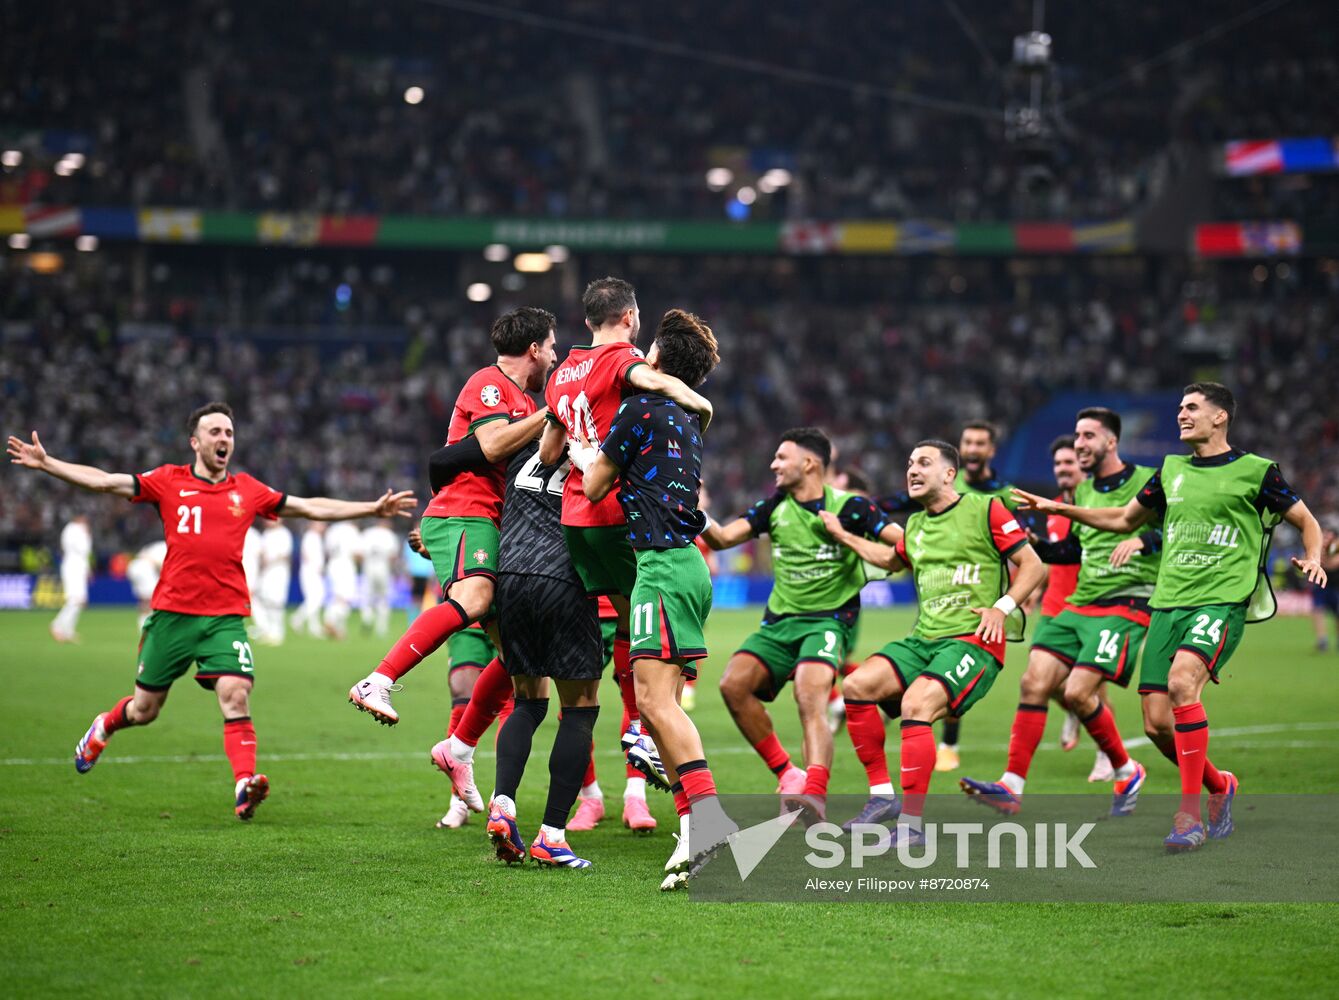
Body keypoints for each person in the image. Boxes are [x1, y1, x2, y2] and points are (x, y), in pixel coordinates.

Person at [7, 403, 415, 820]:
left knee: (236, 694)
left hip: (224, 617)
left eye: (229, 433)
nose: (224, 439)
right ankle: (105, 725)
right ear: (195, 442)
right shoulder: (167, 481)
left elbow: (308, 506)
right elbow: (107, 482)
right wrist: (48, 464)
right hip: (172, 616)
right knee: (144, 710)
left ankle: (244, 785)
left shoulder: (248, 490)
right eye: (215, 432)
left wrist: (370, 508)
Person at [1011, 382, 1328, 851]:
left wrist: (1314, 556)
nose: (1181, 414)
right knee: (1157, 725)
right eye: (1179, 406)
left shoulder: (1257, 472)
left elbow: (1306, 520)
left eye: (1192, 407)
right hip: (1168, 602)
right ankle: (1220, 787)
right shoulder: (1170, 471)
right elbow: (1122, 519)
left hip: (1221, 600)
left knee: (1183, 684)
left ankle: (1187, 817)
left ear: (1220, 417)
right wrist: (1059, 506)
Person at [573, 307, 731, 890]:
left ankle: (710, 820)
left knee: (655, 706)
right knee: (653, 704)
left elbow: (593, 486)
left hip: (661, 567)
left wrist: (584, 450)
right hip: (685, 566)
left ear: (654, 359)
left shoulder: (640, 407)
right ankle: (693, 826)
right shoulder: (689, 418)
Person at [821, 439, 1045, 845]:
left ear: (949, 473)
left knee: (915, 705)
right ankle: (881, 798)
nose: (912, 470)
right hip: (923, 639)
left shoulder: (986, 509)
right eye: (909, 463)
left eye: (924, 462)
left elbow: (1033, 565)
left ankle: (911, 826)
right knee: (855, 686)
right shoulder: (916, 526)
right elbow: (890, 561)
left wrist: (1002, 606)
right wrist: (843, 535)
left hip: (974, 641)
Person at [538, 277, 713, 788]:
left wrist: (578, 445)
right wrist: (699, 405)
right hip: (621, 516)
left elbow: (549, 454)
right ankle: (647, 731)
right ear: (630, 318)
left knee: (620, 623)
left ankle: (627, 753)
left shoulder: (563, 372)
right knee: (651, 638)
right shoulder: (624, 363)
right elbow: (656, 382)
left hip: (574, 520)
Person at [348, 307, 556, 734]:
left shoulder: (524, 402)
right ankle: (379, 679)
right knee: (475, 599)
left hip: (492, 522)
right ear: (534, 349)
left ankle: (459, 751)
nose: (554, 358)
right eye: (551, 348)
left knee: (520, 662)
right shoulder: (489, 384)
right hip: (465, 511)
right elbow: (492, 446)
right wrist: (554, 412)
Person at [961, 408, 1159, 817]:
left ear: (1111, 442)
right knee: (1034, 682)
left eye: (1087, 436)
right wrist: (1036, 546)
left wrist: (1145, 543)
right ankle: (1011, 786)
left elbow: (1173, 526)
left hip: (1127, 602)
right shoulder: (1084, 494)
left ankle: (1122, 768)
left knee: (1077, 692)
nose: (1079, 443)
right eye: (1076, 435)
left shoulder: (1149, 481)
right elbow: (1074, 551)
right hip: (1080, 604)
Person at [703, 428, 900, 819]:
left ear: (808, 464)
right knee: (733, 685)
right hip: (778, 623)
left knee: (810, 696)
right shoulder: (773, 506)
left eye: (781, 457)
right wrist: (691, 511)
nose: (773, 464)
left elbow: (903, 547)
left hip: (827, 622)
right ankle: (787, 773)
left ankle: (814, 794)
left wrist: (845, 536)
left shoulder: (852, 508)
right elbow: (724, 538)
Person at [484, 438, 607, 869]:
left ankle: (503, 804)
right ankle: (552, 835)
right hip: (562, 577)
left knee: (528, 700)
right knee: (580, 707)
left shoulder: (521, 447)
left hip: (510, 575)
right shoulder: (600, 453)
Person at [877, 420, 1017, 772]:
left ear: (990, 450)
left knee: (929, 693)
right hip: (935, 610)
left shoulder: (1000, 497)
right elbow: (892, 541)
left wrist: (1008, 602)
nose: (972, 448)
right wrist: (861, 518)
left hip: (977, 613)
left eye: (979, 443)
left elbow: (1020, 553)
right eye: (966, 441)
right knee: (887, 689)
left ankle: (948, 744)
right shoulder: (925, 510)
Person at [51, 514, 92, 642]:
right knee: (75, 599)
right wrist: (86, 534)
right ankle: (57, 625)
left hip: (77, 566)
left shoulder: (70, 529)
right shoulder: (75, 529)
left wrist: (87, 568)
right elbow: (83, 549)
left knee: (80, 600)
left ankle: (68, 630)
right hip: (74, 567)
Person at [360, 517, 400, 637]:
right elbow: (393, 556)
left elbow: (359, 554)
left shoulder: (368, 533)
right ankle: (381, 628)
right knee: (383, 598)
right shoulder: (389, 535)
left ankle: (367, 617)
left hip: (369, 568)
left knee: (367, 596)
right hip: (383, 569)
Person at [256, 517, 293, 645]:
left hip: (278, 571)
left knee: (276, 601)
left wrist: (270, 560)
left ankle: (278, 632)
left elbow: (285, 554)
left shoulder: (284, 533)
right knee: (264, 600)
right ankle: (268, 631)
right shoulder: (266, 534)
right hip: (266, 572)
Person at [323, 520, 362, 640]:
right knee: (346, 598)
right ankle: (330, 619)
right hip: (346, 565)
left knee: (337, 597)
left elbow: (327, 550)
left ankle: (339, 630)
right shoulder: (351, 530)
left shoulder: (332, 530)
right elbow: (357, 553)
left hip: (333, 565)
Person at [290, 523, 327, 638]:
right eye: (321, 524)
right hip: (311, 572)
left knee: (314, 599)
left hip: (314, 572)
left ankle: (314, 627)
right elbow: (306, 555)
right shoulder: (310, 537)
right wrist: (316, 568)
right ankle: (297, 618)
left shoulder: (316, 537)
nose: (323, 526)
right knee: (316, 598)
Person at [127, 538, 167, 631]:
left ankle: (143, 623)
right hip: (144, 569)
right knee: (149, 600)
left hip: (133, 566)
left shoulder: (158, 545)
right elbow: (159, 565)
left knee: (143, 600)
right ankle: (145, 626)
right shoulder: (167, 548)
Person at [1311, 523, 1339, 651]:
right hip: (1321, 585)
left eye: (1329, 534)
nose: (1326, 537)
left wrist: (1322, 559)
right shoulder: (1318, 546)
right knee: (1318, 611)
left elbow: (1333, 564)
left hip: (1335, 585)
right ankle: (1322, 640)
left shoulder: (1335, 548)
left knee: (1337, 614)